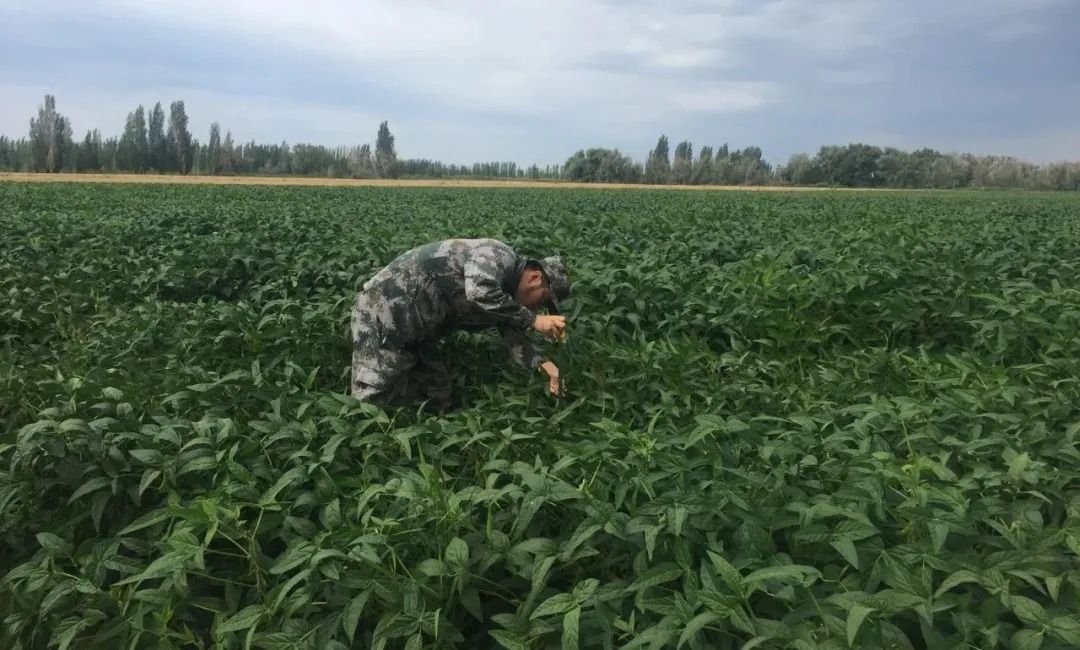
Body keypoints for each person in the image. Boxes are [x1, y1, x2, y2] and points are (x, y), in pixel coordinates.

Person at [349, 238, 570, 413]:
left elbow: (516, 339)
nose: (536, 308)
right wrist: (533, 321)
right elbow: (479, 291)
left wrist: (547, 368)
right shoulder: (499, 255)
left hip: (420, 331)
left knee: (437, 396)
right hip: (384, 310)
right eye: (541, 301)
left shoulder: (505, 301)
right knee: (373, 395)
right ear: (534, 277)